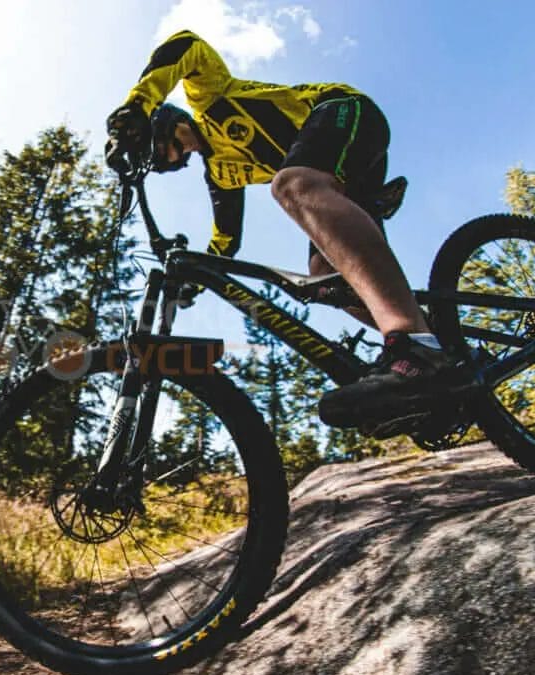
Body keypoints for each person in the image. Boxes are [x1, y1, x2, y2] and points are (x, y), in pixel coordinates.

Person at [106, 30, 470, 432]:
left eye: (158, 149)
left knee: (291, 185)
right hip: (340, 175)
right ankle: (444, 344)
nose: (167, 159)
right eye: (163, 161)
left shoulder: (208, 96)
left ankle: (413, 345)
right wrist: (196, 283)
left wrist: (138, 103)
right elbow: (225, 240)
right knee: (324, 274)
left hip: (343, 110)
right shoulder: (222, 174)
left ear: (164, 124)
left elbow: (186, 46)